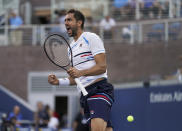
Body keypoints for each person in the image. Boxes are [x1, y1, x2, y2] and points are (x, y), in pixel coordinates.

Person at [48, 9, 114, 131]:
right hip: (85, 96)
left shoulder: (91, 37)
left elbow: (102, 67)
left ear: (79, 23)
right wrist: (59, 82)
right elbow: (77, 78)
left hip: (98, 90)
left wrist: (80, 72)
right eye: (65, 20)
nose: (66, 23)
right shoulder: (70, 48)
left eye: (69, 20)